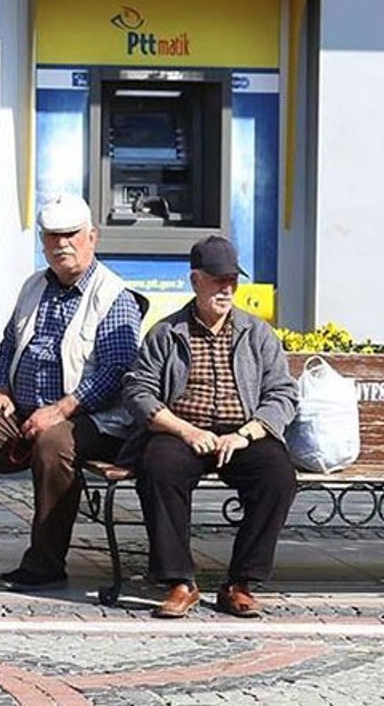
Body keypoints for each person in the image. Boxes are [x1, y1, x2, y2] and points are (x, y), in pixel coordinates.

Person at [0, 195, 143, 590]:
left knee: (53, 444)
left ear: (92, 237)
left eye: (70, 235)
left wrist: (62, 409)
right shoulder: (33, 286)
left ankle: (45, 564)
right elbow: (9, 346)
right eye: (52, 237)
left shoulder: (114, 295)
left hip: (91, 418)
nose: (61, 244)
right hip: (25, 408)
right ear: (42, 242)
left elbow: (118, 372)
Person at [122, 235, 297, 619]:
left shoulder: (257, 332)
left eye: (232, 280)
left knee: (277, 474)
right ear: (195, 280)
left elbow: (284, 393)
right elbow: (138, 391)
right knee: (159, 467)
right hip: (183, 430)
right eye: (218, 280)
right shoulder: (167, 333)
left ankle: (240, 583)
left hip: (241, 431)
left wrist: (247, 432)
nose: (227, 288)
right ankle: (180, 582)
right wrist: (184, 431)